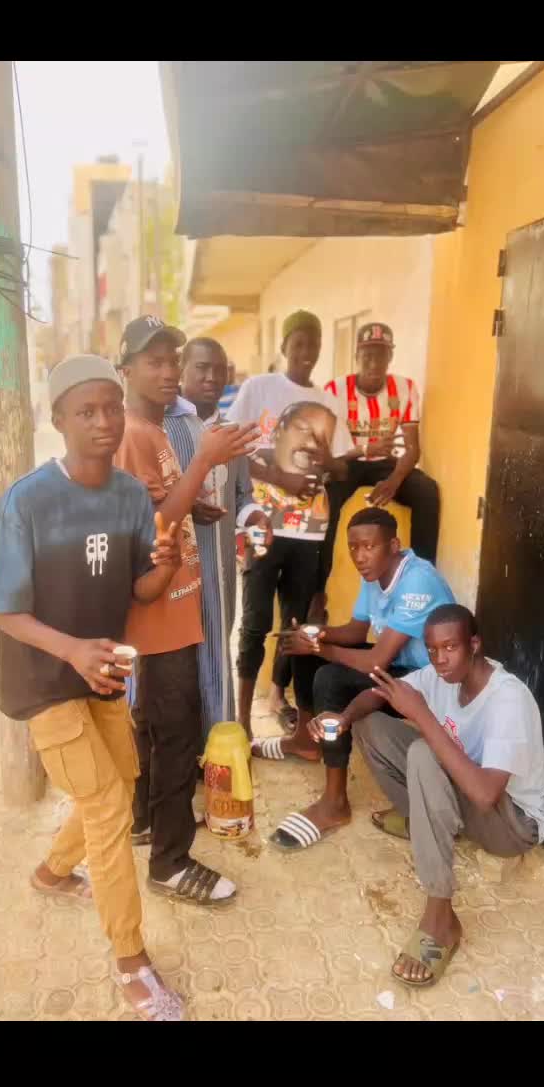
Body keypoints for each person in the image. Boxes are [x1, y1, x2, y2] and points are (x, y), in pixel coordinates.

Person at [0, 353, 186, 1021]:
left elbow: (139, 588)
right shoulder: (27, 502)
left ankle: (51, 872)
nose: (103, 421)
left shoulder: (129, 494)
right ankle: (130, 959)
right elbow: (0, 608)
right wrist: (69, 648)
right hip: (45, 678)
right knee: (107, 807)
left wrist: (165, 566)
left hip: (103, 672)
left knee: (120, 779)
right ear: (59, 420)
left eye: (111, 407)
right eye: (86, 411)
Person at [114, 315, 259, 906]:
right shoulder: (132, 433)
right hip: (158, 616)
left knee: (155, 725)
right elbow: (149, 526)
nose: (169, 371)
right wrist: (203, 461)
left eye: (173, 359)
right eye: (155, 361)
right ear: (126, 369)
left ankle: (147, 822)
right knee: (175, 733)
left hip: (173, 608)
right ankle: (171, 863)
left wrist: (192, 504)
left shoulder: (151, 431)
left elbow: (155, 507)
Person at [352, 604, 544, 987]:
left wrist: (422, 715)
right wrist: (343, 718)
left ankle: (441, 917)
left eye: (450, 648)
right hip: (467, 797)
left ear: (474, 645)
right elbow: (380, 694)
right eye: (432, 650)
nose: (439, 659)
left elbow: (485, 795)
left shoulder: (508, 698)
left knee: (424, 752)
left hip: (511, 823)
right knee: (371, 727)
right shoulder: (441, 675)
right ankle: (426, 823)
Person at [267, 506, 454, 851]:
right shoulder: (375, 575)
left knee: (330, 679)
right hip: (396, 665)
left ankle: (335, 802)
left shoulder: (417, 581)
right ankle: (307, 741)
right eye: (353, 547)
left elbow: (376, 661)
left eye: (369, 546)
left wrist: (320, 648)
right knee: (305, 654)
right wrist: (314, 634)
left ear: (393, 545)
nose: (360, 557)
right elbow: (356, 631)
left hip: (426, 682)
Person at [227, 310, 352, 738]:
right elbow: (233, 449)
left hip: (309, 532)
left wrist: (328, 461)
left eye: (313, 344)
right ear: (284, 347)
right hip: (264, 526)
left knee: (299, 627)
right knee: (255, 624)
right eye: (298, 343)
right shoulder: (259, 389)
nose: (306, 351)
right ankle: (243, 722)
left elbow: (343, 465)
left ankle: (302, 729)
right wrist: (281, 478)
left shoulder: (330, 402)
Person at [164, 337, 270, 733]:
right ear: (183, 371)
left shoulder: (232, 433)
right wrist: (189, 506)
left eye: (219, 369)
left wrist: (254, 516)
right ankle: (184, 744)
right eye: (201, 368)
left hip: (221, 570)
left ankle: (217, 743)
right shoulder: (164, 427)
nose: (211, 377)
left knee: (216, 651)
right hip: (176, 570)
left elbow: (242, 495)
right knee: (179, 659)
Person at [318, 322, 440, 601]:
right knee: (325, 500)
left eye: (381, 356)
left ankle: (420, 584)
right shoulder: (335, 390)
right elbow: (328, 451)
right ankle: (317, 590)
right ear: (356, 357)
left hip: (386, 463)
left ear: (390, 357)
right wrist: (365, 448)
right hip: (347, 461)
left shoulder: (405, 388)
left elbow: (412, 449)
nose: (374, 363)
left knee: (427, 492)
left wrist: (394, 481)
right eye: (367, 356)